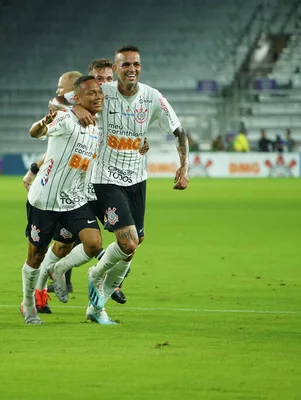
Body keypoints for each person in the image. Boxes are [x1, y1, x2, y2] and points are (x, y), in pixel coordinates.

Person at [72, 45, 189, 323]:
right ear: (115, 69)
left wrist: (184, 166)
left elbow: (179, 131)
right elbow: (60, 101)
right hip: (106, 178)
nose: (132, 69)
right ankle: (96, 274)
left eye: (136, 63)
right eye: (125, 65)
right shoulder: (102, 93)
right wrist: (77, 107)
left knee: (136, 243)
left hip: (138, 178)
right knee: (128, 242)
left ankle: (96, 307)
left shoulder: (152, 97)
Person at [19, 76, 104, 325]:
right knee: (35, 256)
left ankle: (59, 268)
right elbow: (37, 132)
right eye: (91, 93)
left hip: (73, 200)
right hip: (44, 199)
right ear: (77, 98)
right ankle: (29, 305)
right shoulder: (67, 118)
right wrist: (42, 123)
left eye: (99, 92)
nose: (98, 96)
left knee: (93, 243)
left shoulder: (97, 124)